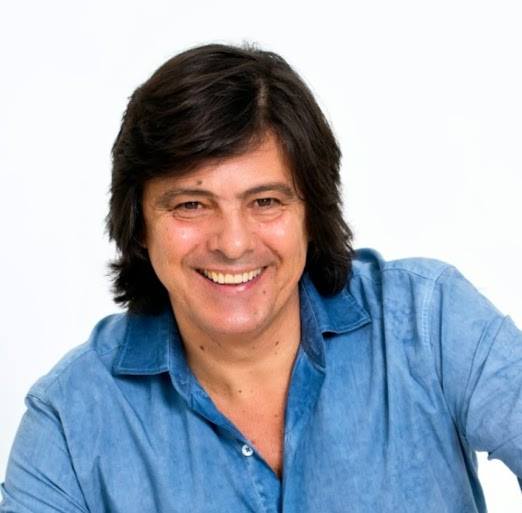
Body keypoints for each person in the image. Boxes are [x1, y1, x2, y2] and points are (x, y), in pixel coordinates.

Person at [1, 43, 521, 513]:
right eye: (191, 205)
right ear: (139, 226)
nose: (232, 243)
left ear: (311, 215)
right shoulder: (71, 419)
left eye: (266, 201)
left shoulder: (428, 324)